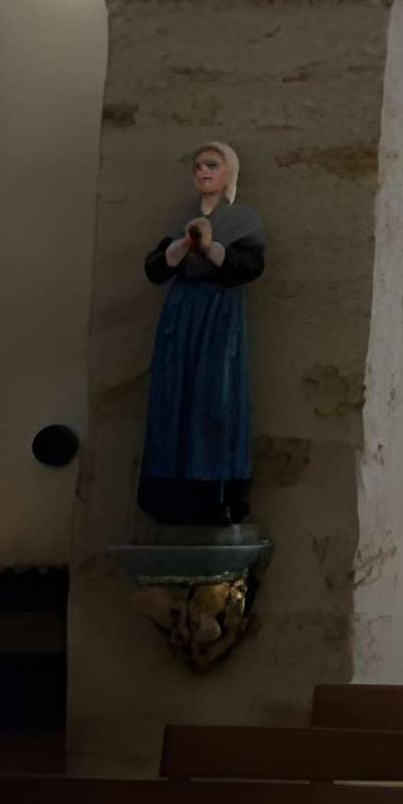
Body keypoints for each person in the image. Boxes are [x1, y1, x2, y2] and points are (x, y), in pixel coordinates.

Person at [139, 141, 266, 525]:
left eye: (212, 165)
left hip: (217, 315)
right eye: (197, 166)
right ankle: (169, 491)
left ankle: (215, 489)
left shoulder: (243, 219)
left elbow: (250, 266)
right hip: (180, 316)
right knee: (172, 393)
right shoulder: (178, 218)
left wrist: (211, 248)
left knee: (215, 396)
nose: (204, 172)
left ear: (228, 172)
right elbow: (156, 268)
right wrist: (179, 249)